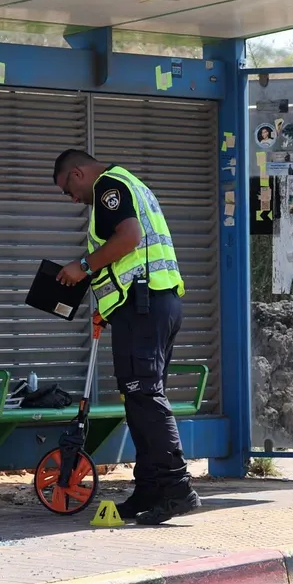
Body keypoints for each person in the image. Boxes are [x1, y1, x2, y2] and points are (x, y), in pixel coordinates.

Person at [51, 149, 200, 524]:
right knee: (138, 400)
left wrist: (82, 266)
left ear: (77, 173)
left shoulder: (109, 187)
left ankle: (177, 488)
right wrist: (108, 306)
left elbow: (129, 239)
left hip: (144, 307)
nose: (72, 199)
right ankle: (150, 489)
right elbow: (131, 259)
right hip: (153, 304)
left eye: (68, 190)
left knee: (144, 396)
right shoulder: (131, 184)